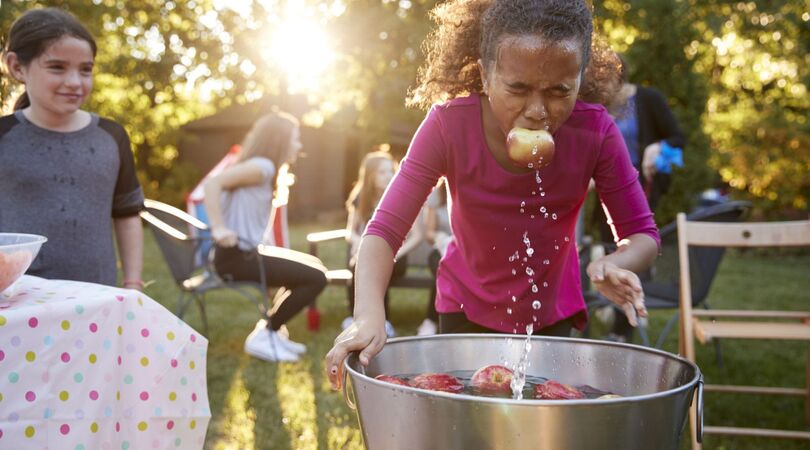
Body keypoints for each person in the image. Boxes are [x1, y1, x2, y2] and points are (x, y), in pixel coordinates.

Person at [326, 0, 660, 387]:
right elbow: (383, 231)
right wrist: (368, 313)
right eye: (517, 88)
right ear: (485, 76)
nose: (537, 111)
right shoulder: (448, 126)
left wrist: (617, 262)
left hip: (553, 316)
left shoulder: (596, 131)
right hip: (464, 311)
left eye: (558, 91)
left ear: (580, 79)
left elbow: (642, 235)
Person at [0, 8, 144, 289]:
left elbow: (127, 216)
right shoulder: (4, 135)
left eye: (85, 70)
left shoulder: (111, 137)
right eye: (57, 67)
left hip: (95, 299)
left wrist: (133, 284)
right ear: (16, 67)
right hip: (13, 303)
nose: (75, 82)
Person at [204, 111, 328, 362]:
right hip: (235, 257)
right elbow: (212, 184)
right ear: (279, 140)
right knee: (316, 278)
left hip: (247, 253)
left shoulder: (267, 169)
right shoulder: (263, 166)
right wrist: (218, 228)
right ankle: (266, 332)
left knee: (313, 268)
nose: (299, 145)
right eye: (295, 138)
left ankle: (270, 332)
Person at [598, 54, 687, 342]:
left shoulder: (648, 99)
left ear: (619, 75)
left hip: (641, 190)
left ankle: (622, 330)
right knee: (608, 253)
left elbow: (677, 136)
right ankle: (616, 313)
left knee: (633, 254)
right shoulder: (598, 107)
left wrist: (657, 147)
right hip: (604, 193)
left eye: (603, 79)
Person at [342, 149, 424, 338]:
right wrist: (360, 244)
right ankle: (354, 318)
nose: (388, 175)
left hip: (397, 256)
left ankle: (382, 321)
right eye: (382, 172)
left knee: (377, 264)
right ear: (369, 176)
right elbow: (350, 232)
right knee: (359, 263)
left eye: (390, 170)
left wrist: (393, 254)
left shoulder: (404, 196)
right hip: (366, 253)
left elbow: (417, 236)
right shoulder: (360, 197)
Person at [417, 179, 453, 336]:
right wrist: (440, 236)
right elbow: (429, 233)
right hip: (441, 249)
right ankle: (431, 320)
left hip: (465, 251)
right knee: (443, 268)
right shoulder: (437, 196)